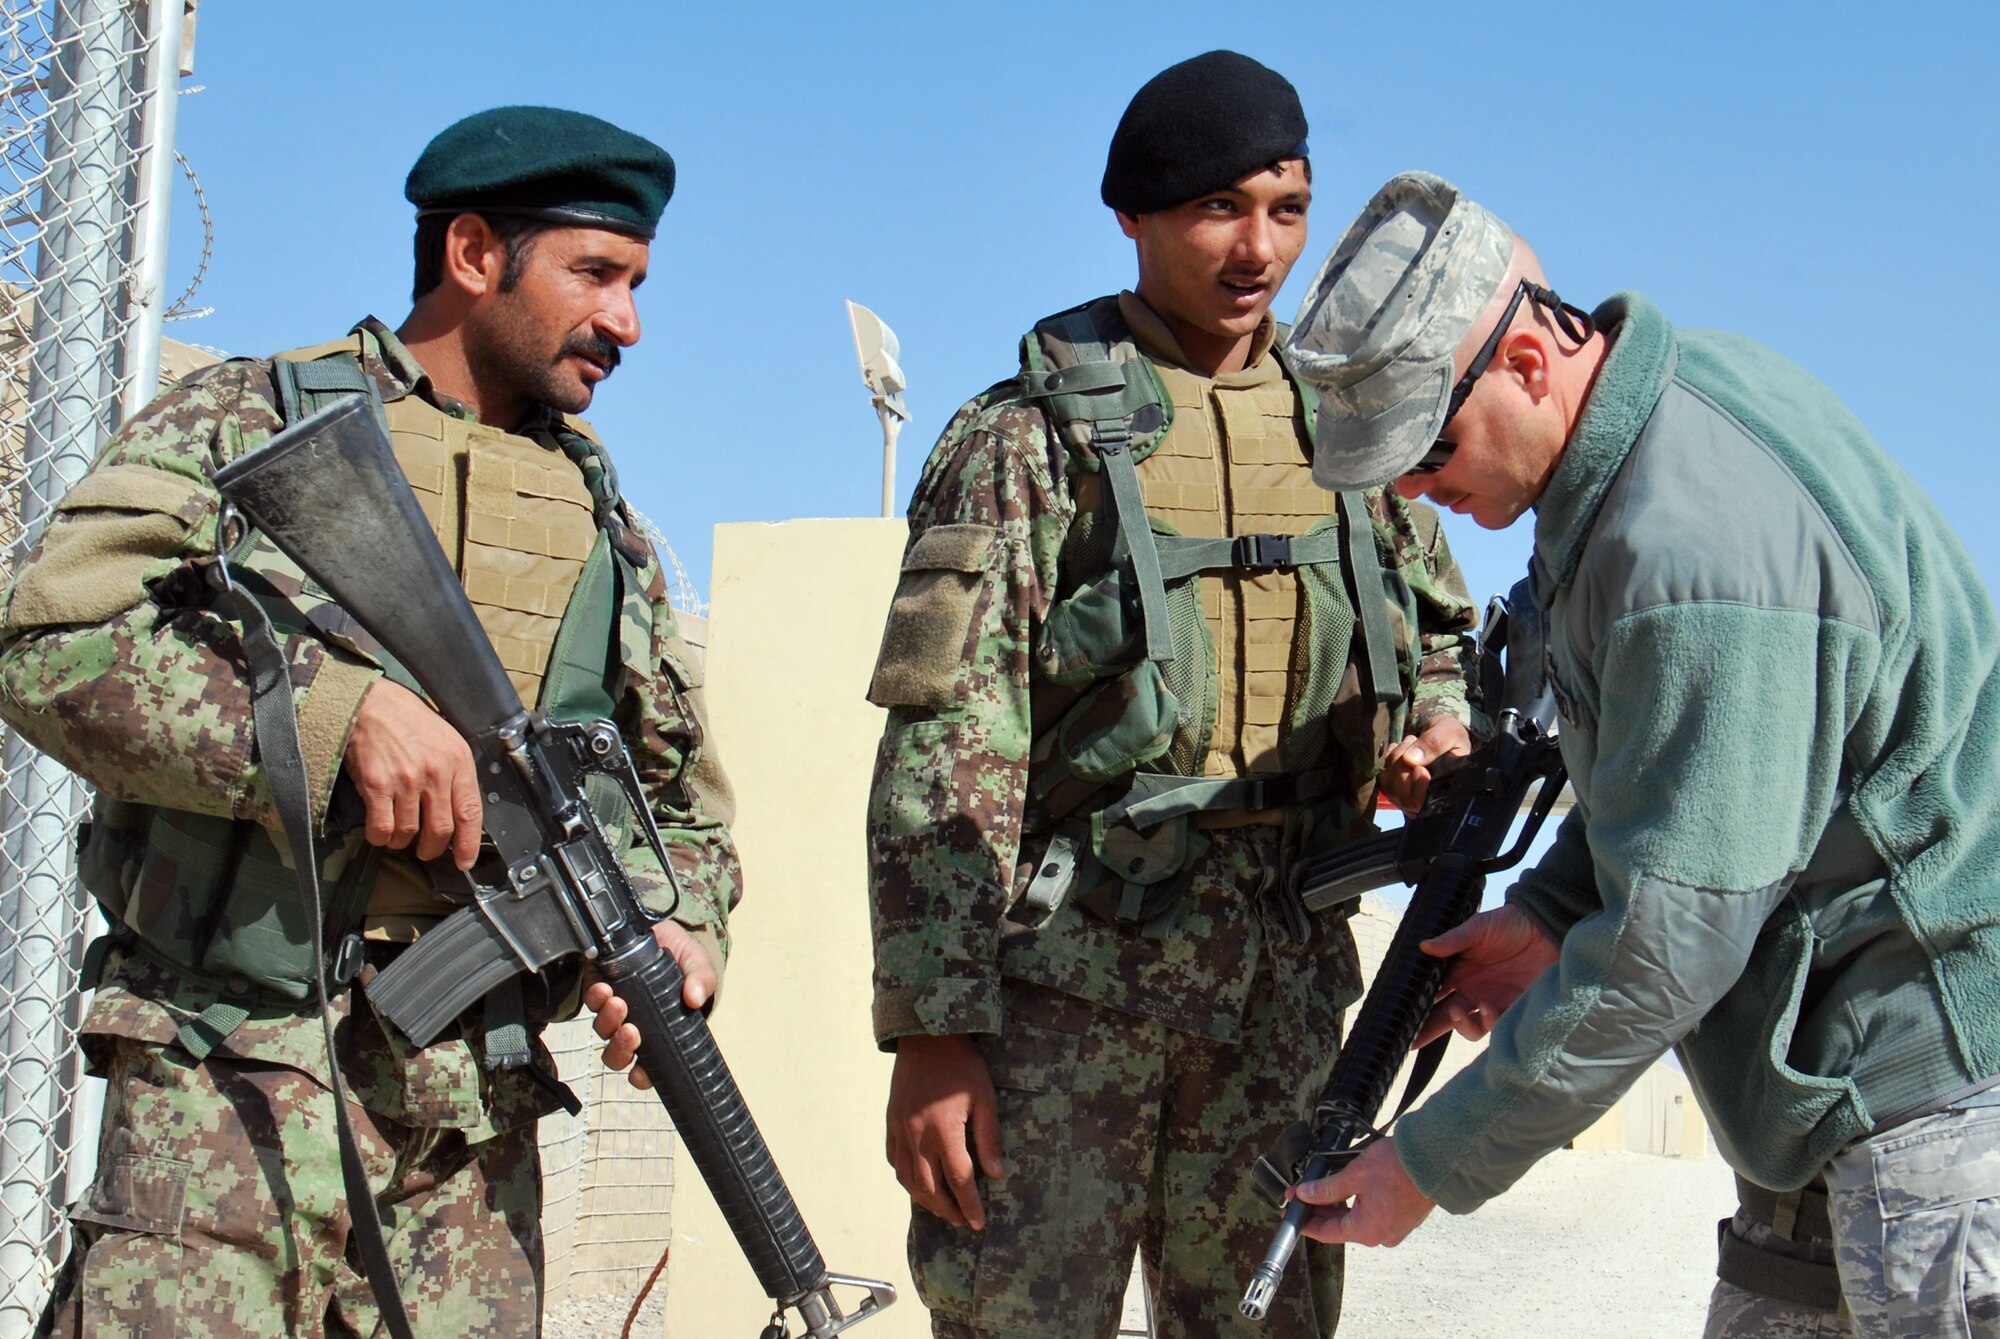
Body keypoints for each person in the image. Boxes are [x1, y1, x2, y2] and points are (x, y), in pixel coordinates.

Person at [0, 105, 739, 1335]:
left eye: (635, 284)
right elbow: (49, 642)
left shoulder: (603, 526)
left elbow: (680, 802)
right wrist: (329, 715)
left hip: (472, 1144)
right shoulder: (252, 420)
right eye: (595, 274)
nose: (626, 322)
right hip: (227, 1098)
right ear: (472, 254)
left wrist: (683, 928)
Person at [1279, 170, 2000, 1336]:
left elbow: (1672, 941)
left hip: (1938, 1099)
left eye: (1428, 446)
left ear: (1524, 361)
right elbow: (1679, 781)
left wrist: (1429, 1159)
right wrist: (1550, 915)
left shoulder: (1686, 551)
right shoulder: (1630, 461)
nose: (1414, 487)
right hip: (1830, 1093)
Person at [864, 53, 1481, 1339]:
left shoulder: (1350, 436)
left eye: (1286, 208)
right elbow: (949, 746)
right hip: (1070, 984)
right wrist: (932, 1028)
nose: (1258, 249)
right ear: (1131, 216)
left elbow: (1437, 633)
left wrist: (1434, 727)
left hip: (1286, 980)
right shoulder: (1023, 438)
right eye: (1216, 208)